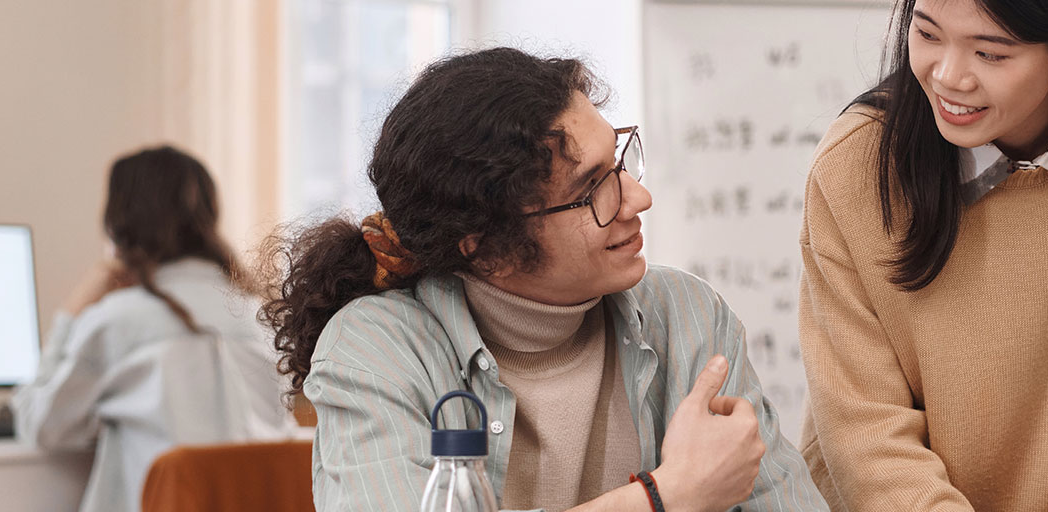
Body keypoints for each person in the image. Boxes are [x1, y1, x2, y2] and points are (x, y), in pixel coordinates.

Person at [265, 47, 823, 512]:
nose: (639, 200)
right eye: (593, 189)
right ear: (485, 249)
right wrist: (665, 497)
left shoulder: (688, 316)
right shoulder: (375, 350)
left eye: (621, 164)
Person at [796, 0, 1048, 509]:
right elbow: (869, 437)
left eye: (989, 54)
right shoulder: (853, 167)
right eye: (927, 35)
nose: (948, 77)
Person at [13, 146, 296, 512]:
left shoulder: (118, 320)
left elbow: (40, 426)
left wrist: (70, 315)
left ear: (118, 225)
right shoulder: (259, 316)